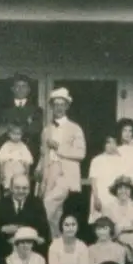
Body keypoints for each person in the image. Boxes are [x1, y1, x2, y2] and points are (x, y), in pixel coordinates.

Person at [39, 87, 87, 235]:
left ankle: (36, 226)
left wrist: (59, 148)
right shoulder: (47, 130)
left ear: (67, 106)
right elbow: (43, 153)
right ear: (52, 107)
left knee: (47, 205)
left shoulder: (75, 128)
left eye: (62, 104)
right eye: (56, 104)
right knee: (56, 214)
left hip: (65, 174)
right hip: (50, 171)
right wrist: (39, 168)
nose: (59, 107)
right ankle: (55, 243)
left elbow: (81, 153)